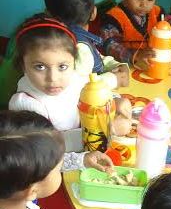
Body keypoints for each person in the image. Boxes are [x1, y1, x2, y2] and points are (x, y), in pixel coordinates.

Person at [8, 15, 131, 152]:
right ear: (23, 65)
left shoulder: (73, 77)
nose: (53, 78)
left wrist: (114, 103)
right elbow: (50, 146)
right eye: (40, 67)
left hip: (91, 152)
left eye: (62, 66)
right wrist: (108, 130)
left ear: (73, 61)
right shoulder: (26, 104)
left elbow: (91, 97)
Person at [43, 0, 130, 88]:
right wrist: (113, 79)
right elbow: (77, 87)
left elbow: (98, 57)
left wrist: (116, 65)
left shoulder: (47, 38)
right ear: (94, 13)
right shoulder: (80, 48)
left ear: (48, 15)